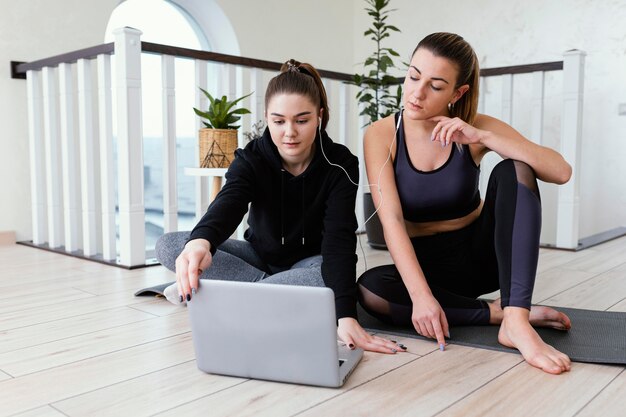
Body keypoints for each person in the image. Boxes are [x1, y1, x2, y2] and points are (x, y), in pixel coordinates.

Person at [357, 32, 573, 374]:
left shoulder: (472, 127)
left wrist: (483, 137)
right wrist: (421, 297)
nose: (417, 92)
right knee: (370, 290)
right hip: (427, 269)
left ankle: (516, 321)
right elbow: (392, 221)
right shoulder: (381, 134)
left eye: (436, 85)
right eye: (413, 76)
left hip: (480, 258)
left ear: (458, 92)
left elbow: (560, 171)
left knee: (515, 168)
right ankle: (498, 313)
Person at [156, 59, 403, 354]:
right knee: (172, 246)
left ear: (319, 116)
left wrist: (345, 316)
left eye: (302, 120)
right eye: (279, 121)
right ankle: (273, 297)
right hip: (259, 257)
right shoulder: (251, 158)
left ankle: (227, 295)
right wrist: (201, 241)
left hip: (310, 264)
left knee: (324, 278)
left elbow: (339, 238)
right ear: (266, 118)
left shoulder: (340, 164)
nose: (289, 132)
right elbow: (230, 201)